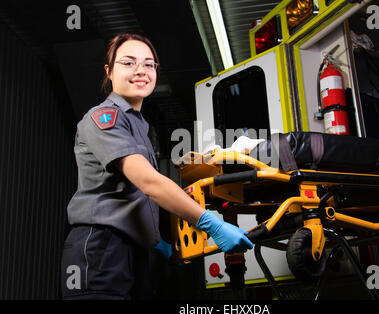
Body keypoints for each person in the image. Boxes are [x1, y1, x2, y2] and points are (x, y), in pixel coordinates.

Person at [61, 31, 253, 300]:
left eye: (149, 64)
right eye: (128, 63)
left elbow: (133, 196)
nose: (140, 70)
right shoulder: (103, 118)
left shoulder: (139, 126)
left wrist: (156, 242)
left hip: (133, 251)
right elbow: (148, 183)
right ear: (109, 71)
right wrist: (210, 223)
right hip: (101, 248)